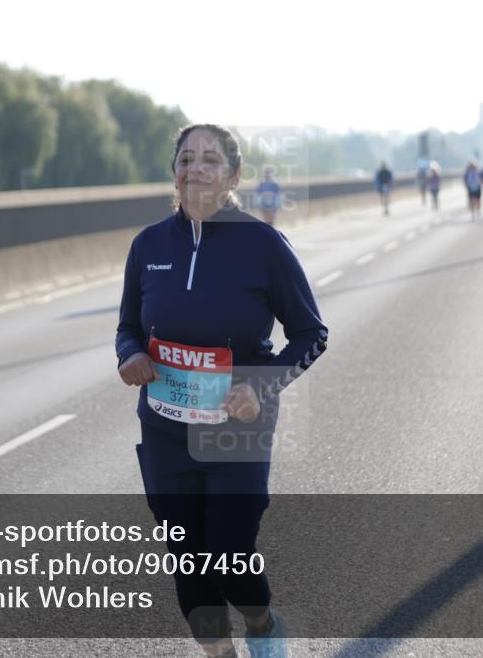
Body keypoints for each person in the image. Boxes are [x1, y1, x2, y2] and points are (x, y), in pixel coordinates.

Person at [116, 123, 328, 658]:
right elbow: (128, 327)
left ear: (234, 176)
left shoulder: (263, 245)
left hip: (237, 429)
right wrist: (131, 355)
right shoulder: (148, 245)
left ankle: (262, 622)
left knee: (229, 556)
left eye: (210, 160)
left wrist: (262, 386)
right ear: (174, 172)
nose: (196, 169)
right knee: (188, 562)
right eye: (186, 159)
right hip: (165, 430)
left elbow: (311, 333)